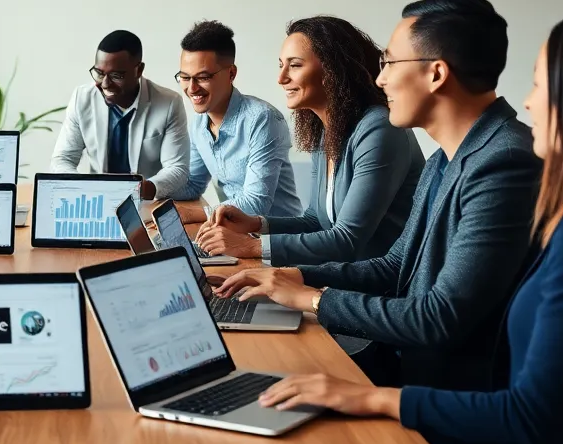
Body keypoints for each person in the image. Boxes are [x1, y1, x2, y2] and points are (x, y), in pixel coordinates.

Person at [255, 1, 563, 444]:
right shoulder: (458, 160)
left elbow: (471, 350)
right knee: (277, 439)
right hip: (481, 424)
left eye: (540, 84)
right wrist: (301, 285)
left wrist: (369, 393)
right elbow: (400, 265)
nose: (531, 102)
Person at [215, 0, 541, 394]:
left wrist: (313, 299)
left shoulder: (503, 161)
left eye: (389, 63)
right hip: (412, 363)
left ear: (436, 74)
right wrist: (290, 276)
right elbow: (393, 266)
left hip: (443, 390)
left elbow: (438, 319)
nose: (380, 77)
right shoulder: (447, 157)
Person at [196, 16, 424, 266]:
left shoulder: (379, 129)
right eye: (281, 65)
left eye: (294, 65)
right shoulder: (329, 130)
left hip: (382, 291)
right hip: (340, 279)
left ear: (332, 69)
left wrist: (252, 246)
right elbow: (315, 221)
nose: (281, 78)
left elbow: (347, 239)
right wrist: (257, 224)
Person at [175, 21, 302, 216]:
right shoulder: (198, 125)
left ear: (231, 73)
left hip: (276, 239)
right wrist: (150, 189)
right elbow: (192, 184)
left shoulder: (263, 119)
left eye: (203, 77)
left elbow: (255, 202)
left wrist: (194, 215)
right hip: (232, 233)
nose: (191, 88)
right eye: (185, 77)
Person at [50, 29, 190, 200]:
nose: (105, 84)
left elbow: (177, 168)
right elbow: (62, 159)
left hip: (145, 203)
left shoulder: (169, 103)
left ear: (139, 70)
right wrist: (82, 188)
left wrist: (143, 189)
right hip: (95, 200)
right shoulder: (82, 98)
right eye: (100, 73)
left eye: (116, 75)